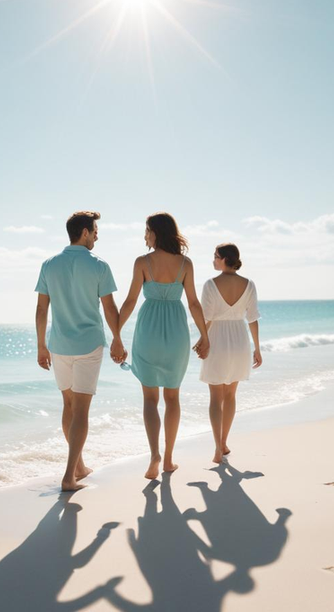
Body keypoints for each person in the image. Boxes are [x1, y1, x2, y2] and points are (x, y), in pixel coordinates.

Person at [35, 211, 126, 492]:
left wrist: (41, 345)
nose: (97, 235)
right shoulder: (99, 265)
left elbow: (41, 309)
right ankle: (69, 476)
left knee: (69, 406)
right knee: (82, 411)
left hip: (59, 345)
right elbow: (110, 308)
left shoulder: (49, 264)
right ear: (84, 232)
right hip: (88, 344)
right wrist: (118, 339)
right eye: (95, 230)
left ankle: (79, 466)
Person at [118, 212, 210, 480]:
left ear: (156, 232)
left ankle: (154, 455)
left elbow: (130, 301)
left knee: (150, 398)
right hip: (176, 334)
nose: (145, 236)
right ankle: (169, 459)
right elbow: (193, 303)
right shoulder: (185, 264)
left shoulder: (143, 262)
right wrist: (205, 335)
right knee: (172, 398)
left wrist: (115, 334)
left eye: (147, 230)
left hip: (148, 332)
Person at [199, 243, 262, 463]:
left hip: (217, 339)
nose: (213, 260)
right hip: (239, 339)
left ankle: (217, 448)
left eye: (215, 256)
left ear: (225, 259)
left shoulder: (210, 284)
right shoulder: (249, 284)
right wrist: (257, 347)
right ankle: (224, 443)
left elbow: (206, 318)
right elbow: (252, 318)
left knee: (216, 398)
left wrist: (202, 340)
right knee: (230, 395)